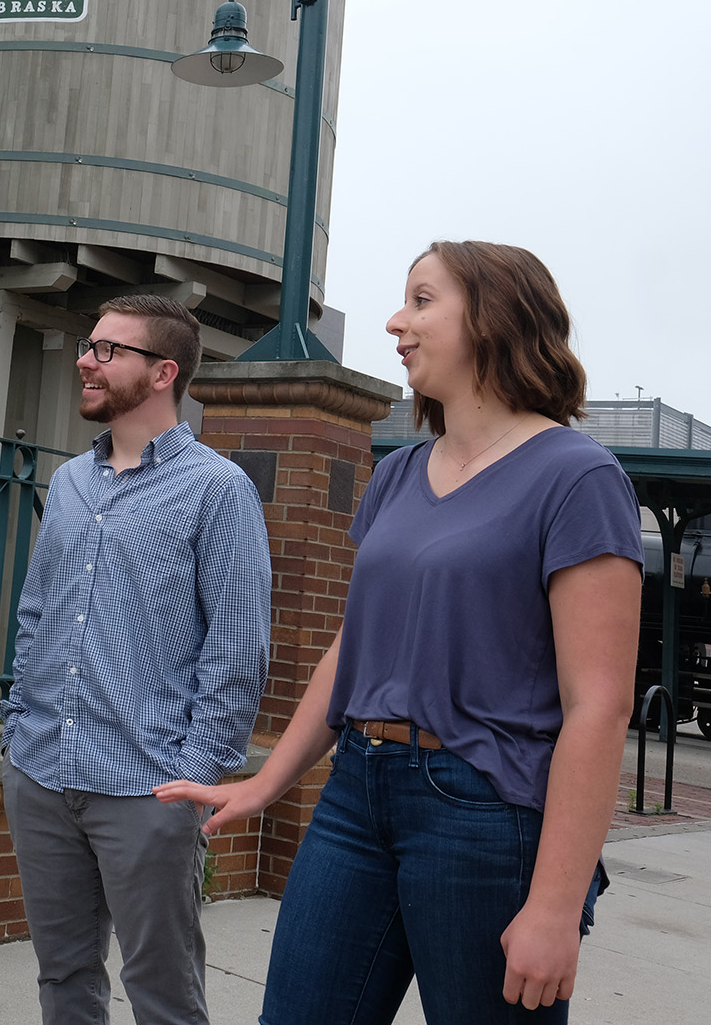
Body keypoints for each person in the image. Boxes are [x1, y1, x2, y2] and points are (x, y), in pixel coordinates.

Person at [156, 241, 643, 1024]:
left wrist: (554, 904)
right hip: (355, 793)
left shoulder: (577, 477)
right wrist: (268, 779)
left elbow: (600, 706)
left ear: (493, 316)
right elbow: (354, 646)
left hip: (486, 812)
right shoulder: (397, 473)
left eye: (421, 300)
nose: (396, 322)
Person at [2, 294, 271, 1025]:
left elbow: (239, 648)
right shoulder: (68, 482)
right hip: (41, 770)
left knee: (164, 990)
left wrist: (196, 770)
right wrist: (19, 723)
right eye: (90, 345)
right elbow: (37, 611)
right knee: (62, 976)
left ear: (162, 373)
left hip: (148, 789)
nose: (86, 360)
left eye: (107, 349)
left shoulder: (218, 489)